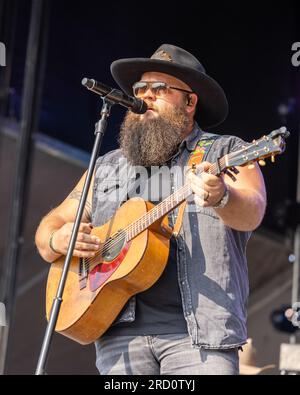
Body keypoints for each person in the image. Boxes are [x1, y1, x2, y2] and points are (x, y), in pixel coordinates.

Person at [35, 44, 267, 375]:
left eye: (158, 89)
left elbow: (253, 210)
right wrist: (59, 239)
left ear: (190, 102)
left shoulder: (224, 151)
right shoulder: (106, 167)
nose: (145, 96)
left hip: (198, 337)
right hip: (118, 339)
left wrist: (222, 197)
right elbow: (50, 228)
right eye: (140, 89)